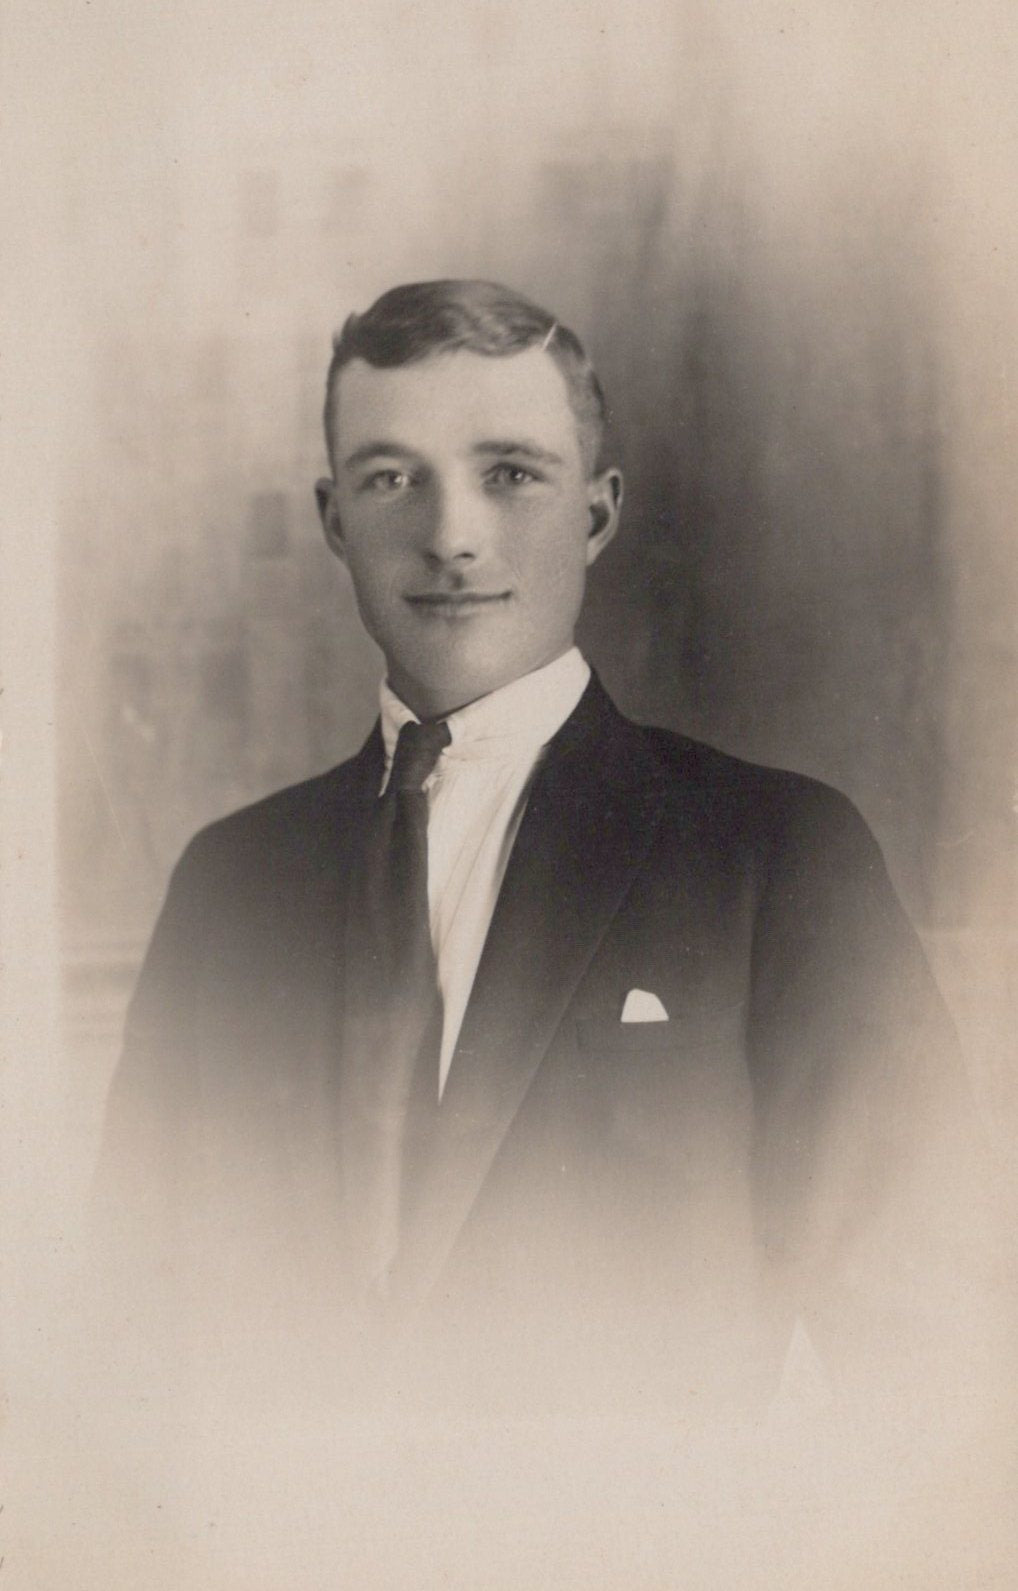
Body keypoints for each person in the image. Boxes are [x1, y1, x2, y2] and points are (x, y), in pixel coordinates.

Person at [95, 279, 980, 1425]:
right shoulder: (228, 882)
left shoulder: (774, 854)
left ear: (597, 515)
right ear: (331, 520)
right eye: (390, 478)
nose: (453, 534)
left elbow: (937, 1370)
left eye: (510, 472)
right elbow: (119, 1347)